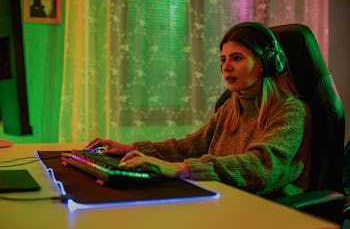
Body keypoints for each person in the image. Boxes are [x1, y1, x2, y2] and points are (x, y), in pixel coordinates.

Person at [87, 22, 312, 198]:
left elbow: (261, 166)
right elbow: (192, 145)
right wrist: (132, 148)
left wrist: (181, 169)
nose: (227, 67)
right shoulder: (231, 108)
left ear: (268, 63)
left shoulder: (290, 112)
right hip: (225, 199)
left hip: (267, 211)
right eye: (223, 60)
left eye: (237, 58)